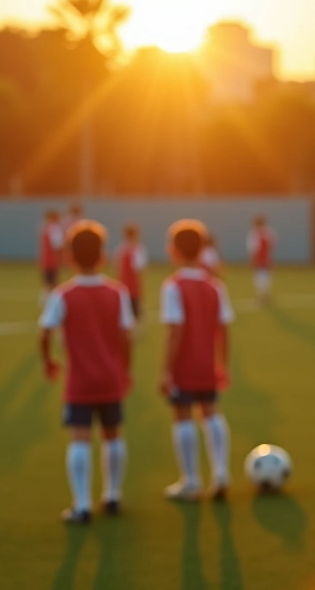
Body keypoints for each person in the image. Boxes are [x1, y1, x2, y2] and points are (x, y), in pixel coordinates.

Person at [40, 220, 135, 523]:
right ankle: (113, 496)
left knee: (80, 438)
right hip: (110, 378)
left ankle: (81, 505)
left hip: (79, 381)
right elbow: (126, 336)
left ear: (69, 257)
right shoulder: (117, 293)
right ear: (103, 255)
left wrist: (49, 361)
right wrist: (125, 370)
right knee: (113, 435)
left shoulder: (63, 295)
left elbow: (44, 332)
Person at [161, 219, 235, 502]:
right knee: (211, 412)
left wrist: (166, 370)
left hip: (184, 365)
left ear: (174, 251)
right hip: (207, 364)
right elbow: (224, 330)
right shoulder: (215, 286)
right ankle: (221, 474)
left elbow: (175, 331)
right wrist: (222, 365)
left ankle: (191, 481)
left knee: (183, 416)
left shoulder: (173, 285)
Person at [115, 223, 148, 321]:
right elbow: (139, 268)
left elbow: (117, 267)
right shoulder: (137, 249)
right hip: (132, 286)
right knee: (134, 313)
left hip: (124, 284)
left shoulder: (121, 249)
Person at [247, 215, 277, 304]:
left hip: (261, 259)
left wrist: (252, 259)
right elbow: (273, 244)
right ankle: (265, 295)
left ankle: (262, 296)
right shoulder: (269, 232)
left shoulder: (255, 233)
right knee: (265, 277)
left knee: (260, 278)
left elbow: (253, 249)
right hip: (266, 259)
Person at [39, 209, 64, 295]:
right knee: (52, 284)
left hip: (46, 259)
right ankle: (50, 299)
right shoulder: (55, 228)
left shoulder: (46, 228)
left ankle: (47, 298)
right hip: (52, 260)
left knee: (48, 283)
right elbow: (57, 245)